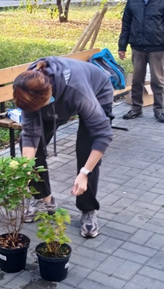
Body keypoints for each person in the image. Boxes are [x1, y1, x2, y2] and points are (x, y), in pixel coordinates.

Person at [13, 57, 114, 238]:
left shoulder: (77, 91)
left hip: (97, 92)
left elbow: (103, 135)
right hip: (49, 100)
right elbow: (30, 135)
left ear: (49, 97)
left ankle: (88, 209)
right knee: (31, 148)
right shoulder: (27, 88)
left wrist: (84, 173)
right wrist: (25, 171)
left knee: (86, 148)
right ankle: (45, 200)